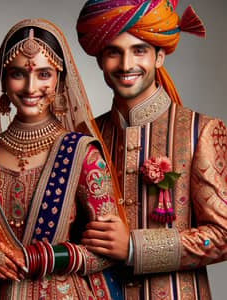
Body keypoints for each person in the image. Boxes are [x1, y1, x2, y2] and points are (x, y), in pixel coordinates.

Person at [0, 18, 127, 299]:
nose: (31, 87)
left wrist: (42, 258)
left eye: (44, 74)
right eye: (18, 73)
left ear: (59, 80)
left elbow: (107, 252)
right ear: (3, 79)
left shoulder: (82, 153)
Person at [76, 0, 227, 299]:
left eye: (139, 50)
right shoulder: (83, 136)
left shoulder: (201, 131)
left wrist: (134, 247)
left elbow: (223, 235)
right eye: (113, 52)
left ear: (160, 57)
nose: (126, 64)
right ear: (99, 60)